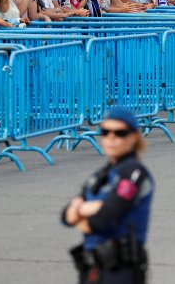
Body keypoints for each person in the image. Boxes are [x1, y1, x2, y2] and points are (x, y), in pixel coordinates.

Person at [62, 107, 154, 284]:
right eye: (105, 132)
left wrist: (80, 213)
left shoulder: (135, 173)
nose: (111, 138)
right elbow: (65, 216)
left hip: (120, 270)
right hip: (92, 268)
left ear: (133, 137)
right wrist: (89, 209)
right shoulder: (101, 174)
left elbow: (104, 218)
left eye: (119, 133)